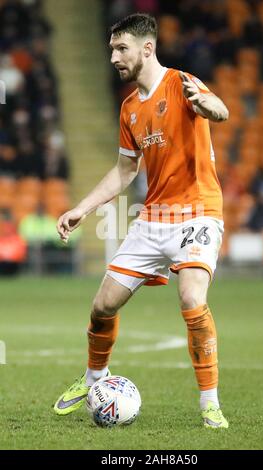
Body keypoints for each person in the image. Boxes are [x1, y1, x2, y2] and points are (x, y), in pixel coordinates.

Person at [54, 13, 229, 428]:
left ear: (146, 49)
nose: (113, 56)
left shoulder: (183, 83)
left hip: (198, 210)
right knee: (103, 306)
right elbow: (124, 171)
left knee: (191, 298)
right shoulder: (130, 108)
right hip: (153, 218)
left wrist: (210, 106)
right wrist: (82, 207)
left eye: (121, 49)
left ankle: (210, 404)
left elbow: (219, 110)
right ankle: (95, 378)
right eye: (111, 49)